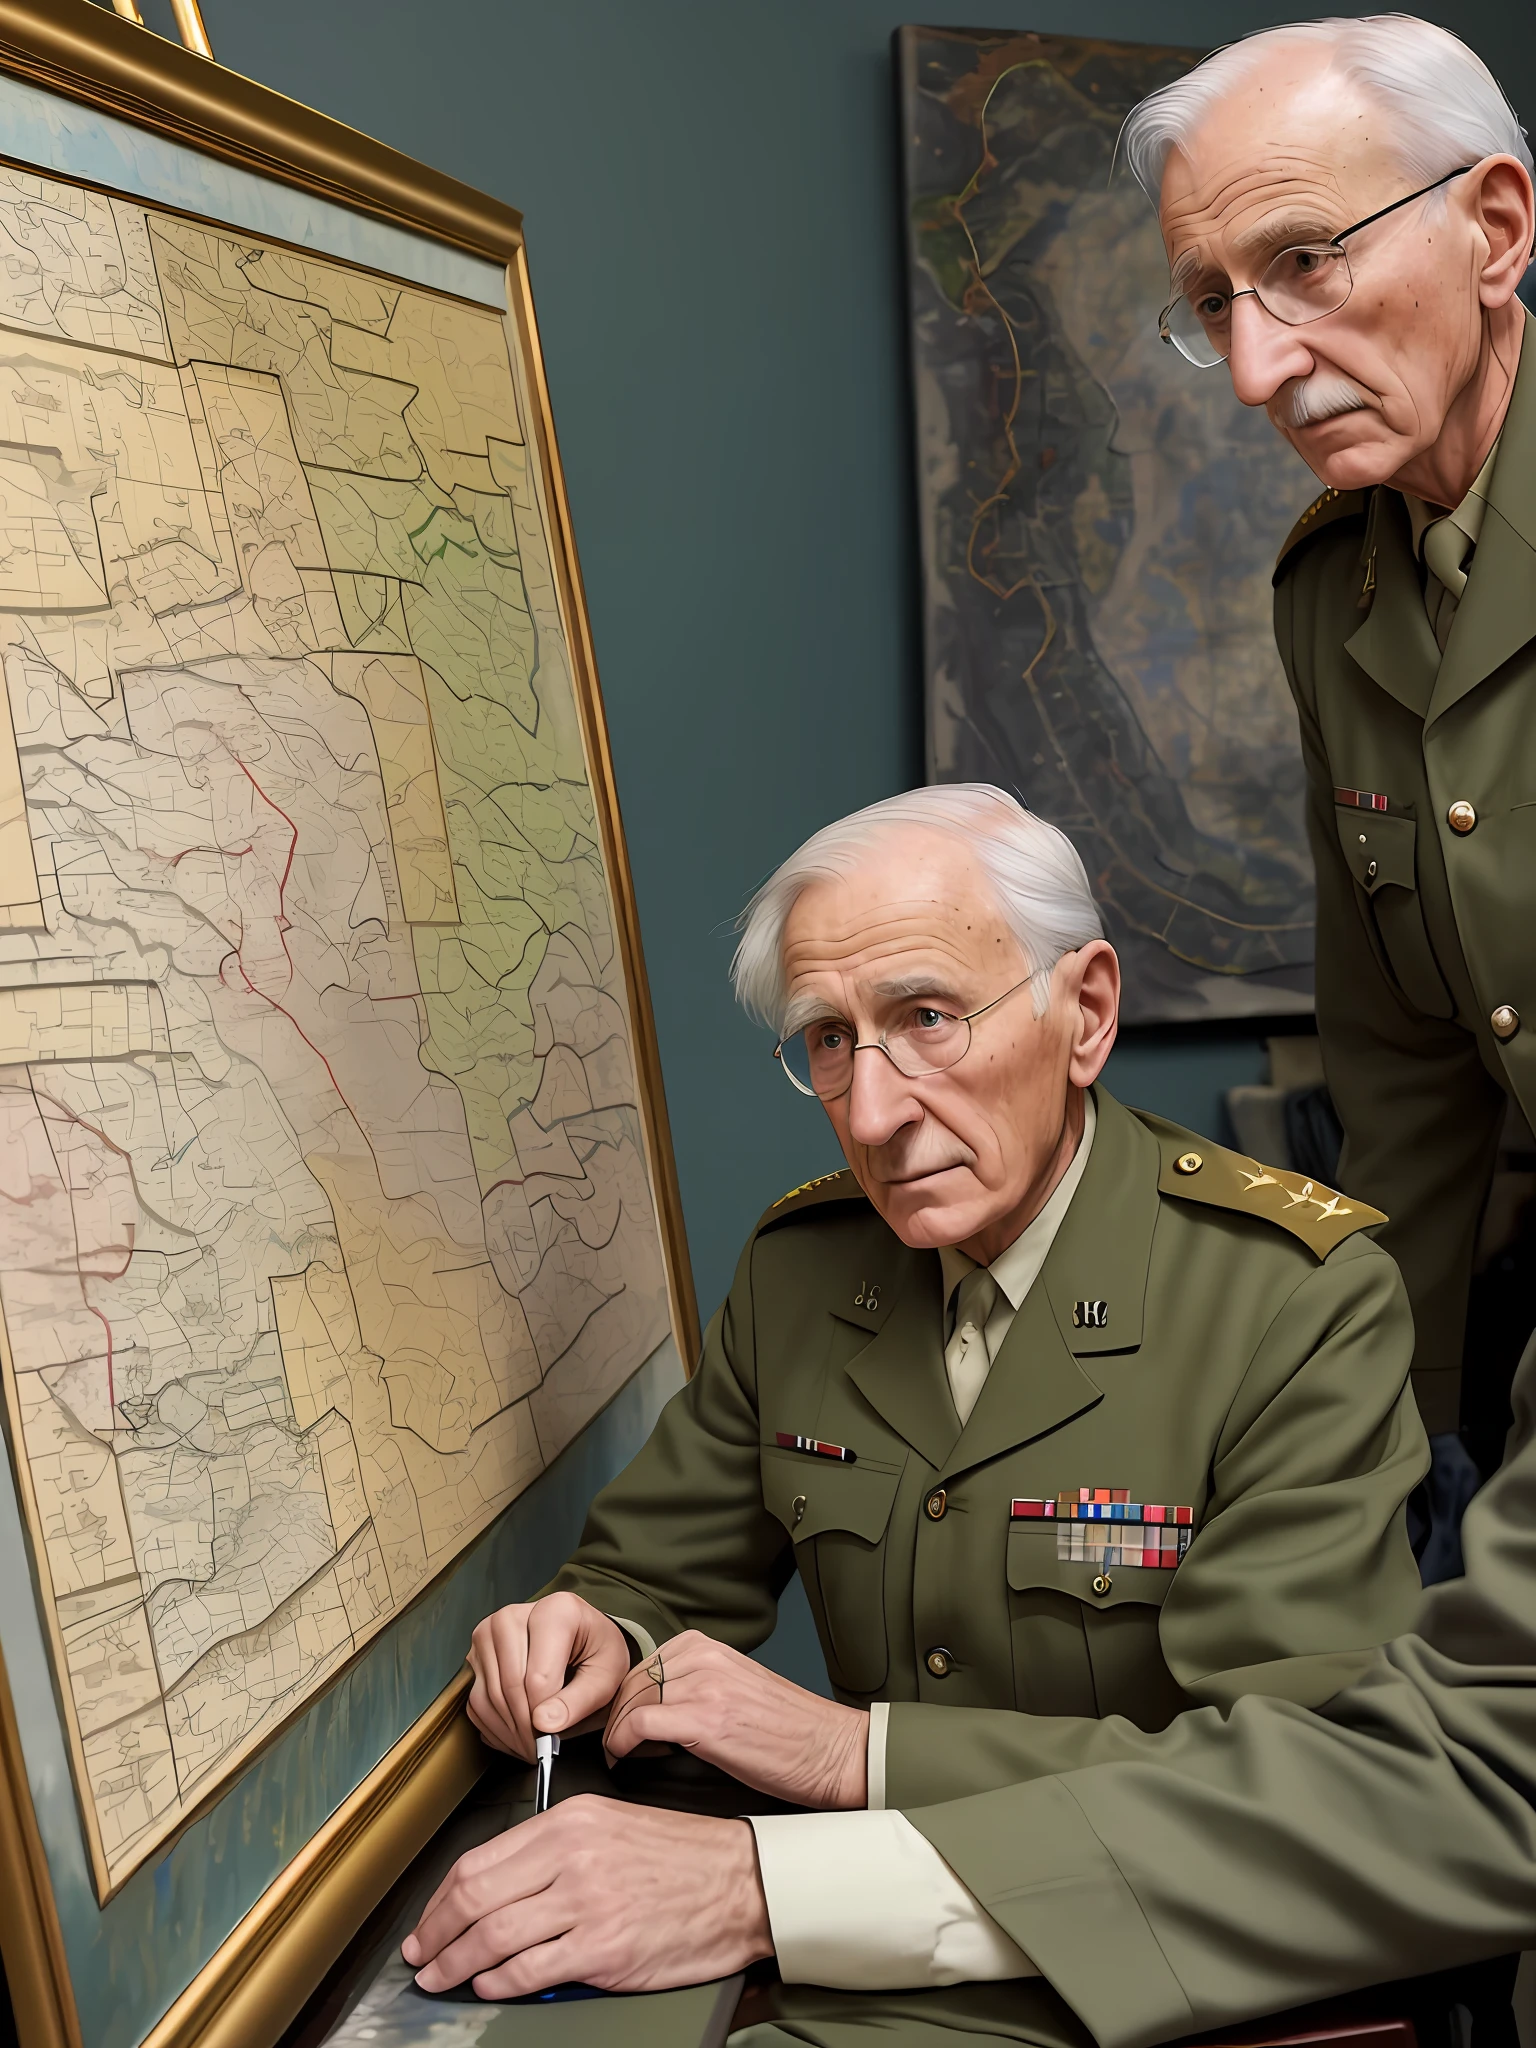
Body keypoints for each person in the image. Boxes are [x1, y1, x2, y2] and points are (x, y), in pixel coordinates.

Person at [400, 784, 1428, 2046]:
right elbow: (651, 1571)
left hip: (1138, 1966)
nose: (874, 1113)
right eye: (830, 1039)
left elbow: (1300, 1787)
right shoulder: (808, 1266)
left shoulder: (1292, 1302)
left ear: (1085, 1012)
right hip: (851, 1945)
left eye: (927, 1018)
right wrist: (596, 1634)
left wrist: (856, 1757)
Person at [1138, 12, 1536, 1565]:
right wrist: (1389, 1438)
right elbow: (1406, 1071)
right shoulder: (1333, 592)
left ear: (1494, 227)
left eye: (1307, 261)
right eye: (1211, 306)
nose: (1254, 371)